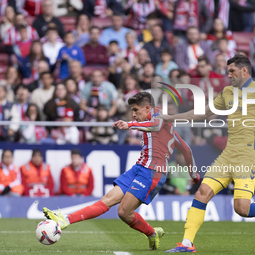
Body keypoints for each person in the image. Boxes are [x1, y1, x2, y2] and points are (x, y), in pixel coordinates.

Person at [160, 54, 255, 253]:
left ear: (244, 71)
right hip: (227, 155)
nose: (229, 75)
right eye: (228, 71)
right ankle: (187, 244)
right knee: (201, 193)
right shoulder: (227, 92)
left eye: (232, 71)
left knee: (241, 208)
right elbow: (202, 113)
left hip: (247, 156)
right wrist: (171, 118)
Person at [43, 91, 200, 251]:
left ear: (147, 108)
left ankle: (152, 233)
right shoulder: (164, 128)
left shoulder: (157, 114)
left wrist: (129, 124)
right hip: (139, 168)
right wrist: (193, 174)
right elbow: (186, 150)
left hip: (153, 172)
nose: (133, 114)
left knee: (124, 212)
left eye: (136, 110)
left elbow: (158, 126)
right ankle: (65, 220)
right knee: (106, 200)